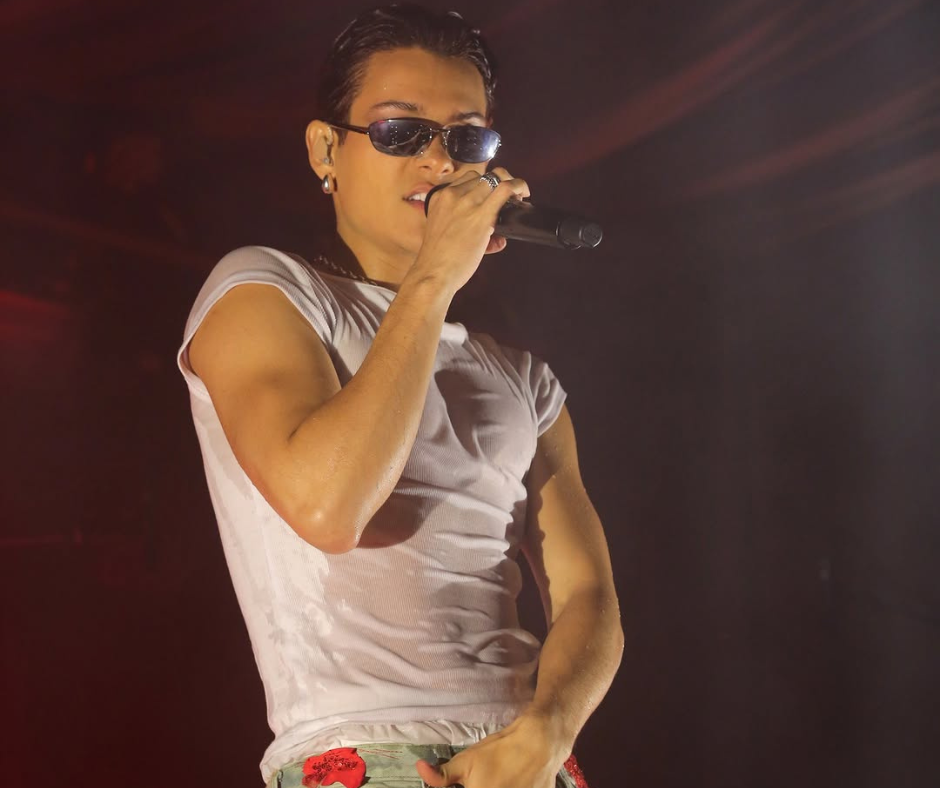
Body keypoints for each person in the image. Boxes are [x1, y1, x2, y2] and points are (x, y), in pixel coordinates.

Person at [177, 5, 623, 788]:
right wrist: (434, 276)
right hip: (370, 751)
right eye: (400, 132)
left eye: (466, 139)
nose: (437, 160)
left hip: (528, 759)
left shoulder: (524, 378)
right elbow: (328, 506)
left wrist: (547, 732)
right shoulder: (265, 291)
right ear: (327, 150)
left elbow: (587, 594)